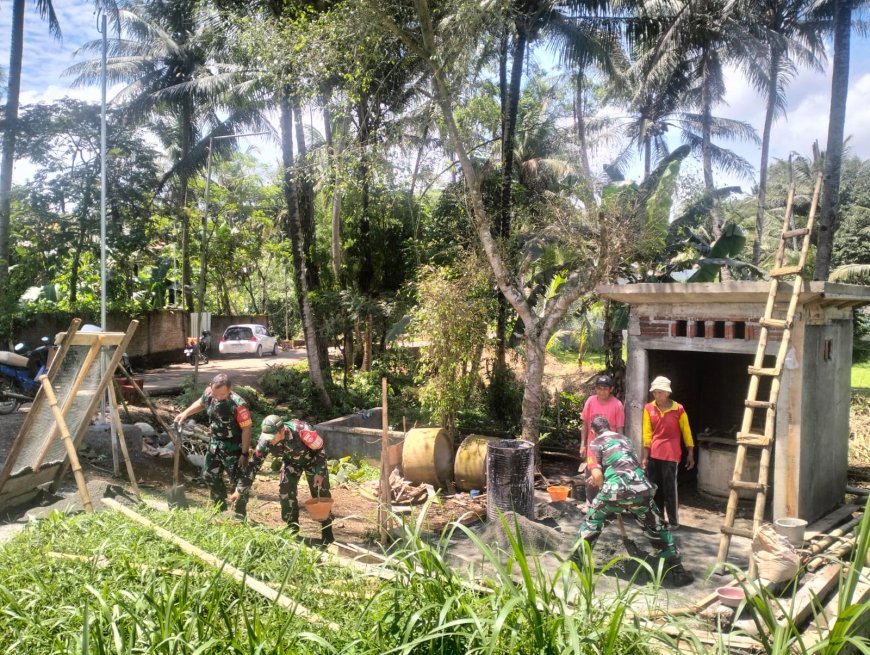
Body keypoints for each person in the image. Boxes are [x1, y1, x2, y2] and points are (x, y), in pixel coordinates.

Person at [574, 416, 693, 587]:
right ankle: (678, 572)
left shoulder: (594, 444)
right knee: (658, 529)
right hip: (642, 491)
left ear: (593, 431)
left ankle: (576, 564)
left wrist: (602, 485)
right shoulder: (626, 440)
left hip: (613, 492)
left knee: (591, 525)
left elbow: (598, 475)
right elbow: (629, 466)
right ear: (610, 428)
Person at [237, 414, 334, 544]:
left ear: (282, 431)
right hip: (291, 463)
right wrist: (240, 489)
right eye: (268, 438)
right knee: (285, 492)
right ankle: (292, 532)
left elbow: (320, 450)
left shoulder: (303, 431)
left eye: (272, 437)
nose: (270, 441)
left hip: (314, 462)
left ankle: (327, 535)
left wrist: (320, 473)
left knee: (321, 495)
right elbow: (253, 465)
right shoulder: (266, 439)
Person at [174, 373, 253, 517]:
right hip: (215, 444)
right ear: (211, 387)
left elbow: (246, 429)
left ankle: (239, 515)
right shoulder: (210, 393)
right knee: (209, 475)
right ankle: (219, 509)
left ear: (230, 389)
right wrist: (185, 413)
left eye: (222, 395)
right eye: (215, 393)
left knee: (237, 482)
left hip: (234, 447)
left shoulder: (238, 404)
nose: (217, 397)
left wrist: (244, 453)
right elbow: (201, 403)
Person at [642, 375, 694, 530]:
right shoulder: (649, 408)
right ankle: (659, 519)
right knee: (655, 488)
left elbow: (687, 432)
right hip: (654, 454)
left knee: (670, 489)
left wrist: (690, 453)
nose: (656, 395)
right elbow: (647, 433)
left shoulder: (678, 409)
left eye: (659, 392)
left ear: (667, 393)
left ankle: (673, 521)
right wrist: (645, 457)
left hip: (671, 455)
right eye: (655, 392)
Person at [580, 374, 625, 502]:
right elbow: (585, 425)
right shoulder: (590, 401)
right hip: (592, 448)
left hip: (609, 449)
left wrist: (619, 450)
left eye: (605, 389)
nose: (602, 391)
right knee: (591, 476)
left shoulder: (617, 405)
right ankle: (591, 504)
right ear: (595, 389)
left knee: (610, 477)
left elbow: (620, 429)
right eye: (599, 388)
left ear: (611, 389)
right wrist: (582, 445)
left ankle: (609, 505)